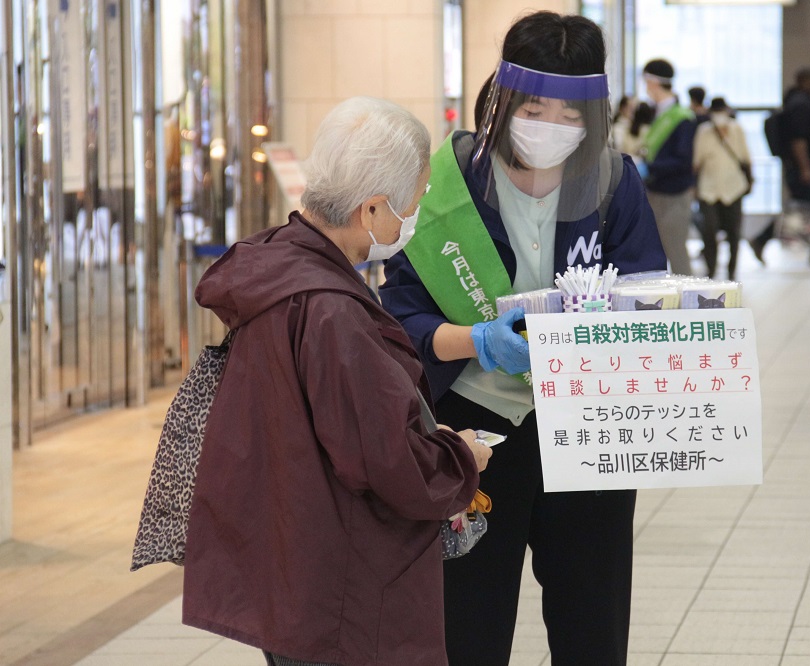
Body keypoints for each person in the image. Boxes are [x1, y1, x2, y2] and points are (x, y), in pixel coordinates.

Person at [380, 12, 666, 666]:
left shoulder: (612, 182)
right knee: (466, 625)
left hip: (589, 430)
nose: (553, 129)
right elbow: (397, 316)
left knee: (592, 623)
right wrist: (474, 339)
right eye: (536, 109)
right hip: (470, 438)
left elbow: (651, 291)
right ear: (502, 97)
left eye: (572, 116)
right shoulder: (447, 184)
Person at [181, 97, 492, 666]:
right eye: (415, 202)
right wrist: (459, 457)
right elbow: (386, 460)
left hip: (292, 554)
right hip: (341, 584)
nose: (415, 217)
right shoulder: (330, 309)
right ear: (372, 210)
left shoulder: (277, 267)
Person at [751, 67, 810, 265]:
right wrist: (805, 168)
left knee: (807, 209)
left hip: (803, 166)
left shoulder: (798, 101)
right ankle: (762, 239)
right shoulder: (800, 104)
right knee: (804, 209)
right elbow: (798, 140)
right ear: (804, 80)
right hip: (803, 167)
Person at [642, 58, 697, 275]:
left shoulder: (681, 118)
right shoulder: (657, 113)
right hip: (654, 191)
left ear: (652, 81)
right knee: (656, 252)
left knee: (676, 251)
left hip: (674, 195)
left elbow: (683, 161)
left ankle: (690, 305)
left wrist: (649, 168)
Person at [694, 97, 752, 280]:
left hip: (733, 188)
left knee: (734, 233)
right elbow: (696, 162)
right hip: (708, 189)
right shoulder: (704, 132)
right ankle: (711, 270)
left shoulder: (737, 129)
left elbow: (746, 158)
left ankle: (732, 272)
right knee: (709, 231)